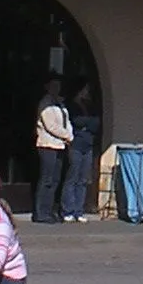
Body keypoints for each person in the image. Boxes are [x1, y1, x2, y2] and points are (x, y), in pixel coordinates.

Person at [33, 76, 72, 224]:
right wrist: (67, 135)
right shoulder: (46, 103)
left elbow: (66, 121)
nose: (57, 89)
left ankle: (49, 210)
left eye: (58, 86)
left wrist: (69, 134)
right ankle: (40, 212)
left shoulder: (60, 104)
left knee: (55, 179)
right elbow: (51, 126)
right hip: (47, 145)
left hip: (60, 145)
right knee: (46, 179)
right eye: (54, 86)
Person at [60, 81, 100, 223]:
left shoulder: (89, 106)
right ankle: (67, 210)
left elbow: (96, 123)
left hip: (88, 144)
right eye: (85, 89)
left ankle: (79, 210)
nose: (87, 92)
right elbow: (76, 121)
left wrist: (87, 124)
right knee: (72, 177)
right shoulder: (72, 106)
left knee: (83, 179)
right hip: (76, 144)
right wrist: (86, 124)